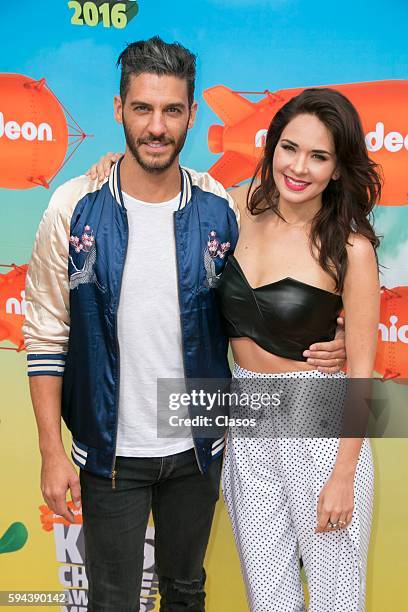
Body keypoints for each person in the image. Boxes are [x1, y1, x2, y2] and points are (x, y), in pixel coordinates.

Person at [24, 36, 346, 611]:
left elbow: (288, 259)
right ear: (119, 109)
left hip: (200, 445)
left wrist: (335, 331)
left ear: (192, 115)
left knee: (186, 591)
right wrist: (52, 451)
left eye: (172, 110)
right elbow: (47, 335)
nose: (157, 126)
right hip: (109, 453)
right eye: (143, 108)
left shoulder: (222, 204)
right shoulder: (73, 206)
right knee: (113, 600)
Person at [215, 88, 380, 611]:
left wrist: (343, 477)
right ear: (270, 147)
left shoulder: (350, 248)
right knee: (269, 601)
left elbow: (362, 372)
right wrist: (110, 162)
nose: (299, 167)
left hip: (322, 434)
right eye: (289, 148)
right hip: (247, 425)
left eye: (319, 156)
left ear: (337, 168)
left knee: (336, 601)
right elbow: (166, 184)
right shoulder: (235, 209)